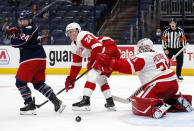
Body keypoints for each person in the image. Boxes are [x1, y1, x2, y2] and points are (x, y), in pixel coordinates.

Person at [95, 38, 193, 118]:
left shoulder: (142, 57)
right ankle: (178, 101)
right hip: (174, 84)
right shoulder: (161, 53)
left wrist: (109, 61)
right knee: (163, 98)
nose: (139, 50)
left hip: (158, 85)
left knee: (139, 104)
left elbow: (126, 67)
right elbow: (168, 64)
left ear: (142, 48)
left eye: (140, 48)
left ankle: (157, 107)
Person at [8, 10, 65, 115]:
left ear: (30, 20)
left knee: (20, 82)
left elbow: (15, 43)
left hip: (31, 59)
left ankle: (29, 105)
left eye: (24, 20)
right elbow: (23, 37)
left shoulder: (29, 29)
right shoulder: (29, 28)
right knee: (38, 84)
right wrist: (18, 32)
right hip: (40, 59)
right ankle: (57, 102)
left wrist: (12, 34)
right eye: (21, 20)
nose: (22, 22)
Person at [65, 22, 120, 111]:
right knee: (100, 78)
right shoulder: (74, 46)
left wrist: (90, 63)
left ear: (78, 30)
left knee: (91, 74)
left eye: (72, 31)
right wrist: (71, 79)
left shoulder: (82, 35)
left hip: (108, 47)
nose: (71, 34)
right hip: (104, 53)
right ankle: (110, 102)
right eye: (69, 32)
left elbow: (97, 47)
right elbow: (76, 65)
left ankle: (86, 100)